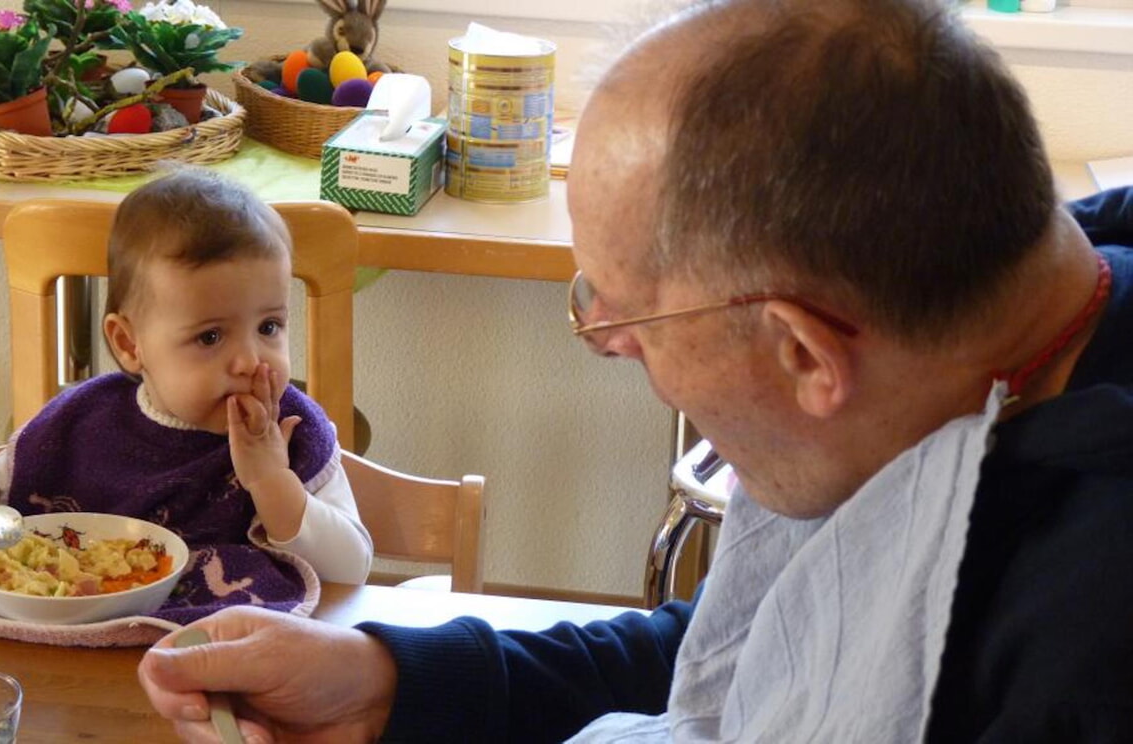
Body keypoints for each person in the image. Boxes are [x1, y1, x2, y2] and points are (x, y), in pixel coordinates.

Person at [137, 0, 1133, 740]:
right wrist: (388, 680)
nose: (611, 343)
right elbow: (732, 654)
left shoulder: (1083, 648)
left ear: (804, 354)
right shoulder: (993, 308)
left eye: (633, 318)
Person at [0, 168, 372, 586]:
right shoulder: (84, 419)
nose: (248, 360)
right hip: (76, 623)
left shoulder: (292, 433)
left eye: (269, 327)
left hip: (227, 632)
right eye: (211, 336)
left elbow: (351, 570)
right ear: (129, 344)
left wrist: (271, 482)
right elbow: (13, 476)